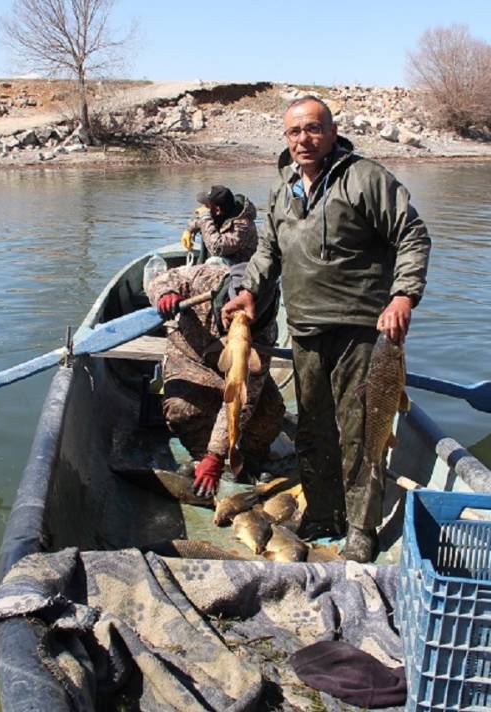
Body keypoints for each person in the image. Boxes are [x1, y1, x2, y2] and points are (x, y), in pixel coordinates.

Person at [222, 96, 431, 562]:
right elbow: (267, 255)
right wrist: (251, 291)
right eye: (294, 132)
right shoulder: (282, 190)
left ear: (333, 131)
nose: (304, 139)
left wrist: (402, 296)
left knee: (362, 429)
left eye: (313, 129)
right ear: (286, 137)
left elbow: (412, 235)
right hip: (306, 329)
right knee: (314, 428)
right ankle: (323, 513)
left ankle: (361, 526)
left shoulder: (365, 178)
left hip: (363, 330)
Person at [148, 260, 284, 497]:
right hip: (193, 360)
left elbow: (244, 399)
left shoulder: (264, 332)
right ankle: (201, 457)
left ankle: (247, 460)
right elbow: (162, 278)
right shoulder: (207, 277)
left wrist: (218, 453)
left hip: (235, 369)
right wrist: (165, 293)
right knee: (182, 409)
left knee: (271, 412)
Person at [181, 185, 259, 263]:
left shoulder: (242, 225)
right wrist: (188, 230)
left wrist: (205, 217)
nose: (203, 208)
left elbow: (217, 249)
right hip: (224, 261)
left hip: (240, 267)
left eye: (206, 206)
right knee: (206, 228)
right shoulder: (221, 213)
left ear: (217, 210)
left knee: (214, 261)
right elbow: (198, 221)